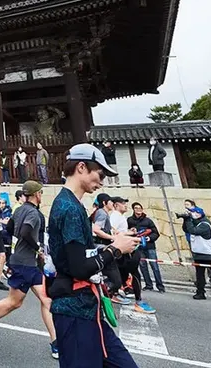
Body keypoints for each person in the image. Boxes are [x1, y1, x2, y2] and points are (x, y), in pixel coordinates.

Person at [46, 144, 140, 367]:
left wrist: (114, 243)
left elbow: (81, 254)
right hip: (75, 310)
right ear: (81, 167)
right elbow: (79, 267)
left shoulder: (73, 204)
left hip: (88, 308)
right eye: (100, 174)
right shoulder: (69, 208)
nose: (102, 182)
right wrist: (115, 249)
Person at [0, 180, 59, 359]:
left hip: (29, 264)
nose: (41, 195)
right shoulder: (33, 213)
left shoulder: (19, 210)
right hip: (24, 264)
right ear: (37, 194)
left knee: (46, 300)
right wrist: (37, 248)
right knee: (14, 302)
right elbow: (24, 232)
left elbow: (9, 229)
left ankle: (56, 343)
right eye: (41, 192)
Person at [128, 202, 164, 293]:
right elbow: (127, 232)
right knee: (143, 266)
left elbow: (156, 233)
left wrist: (149, 238)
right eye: (136, 208)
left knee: (154, 266)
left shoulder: (148, 221)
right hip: (138, 246)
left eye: (140, 208)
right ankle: (148, 285)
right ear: (133, 210)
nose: (138, 210)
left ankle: (160, 286)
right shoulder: (129, 220)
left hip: (150, 246)